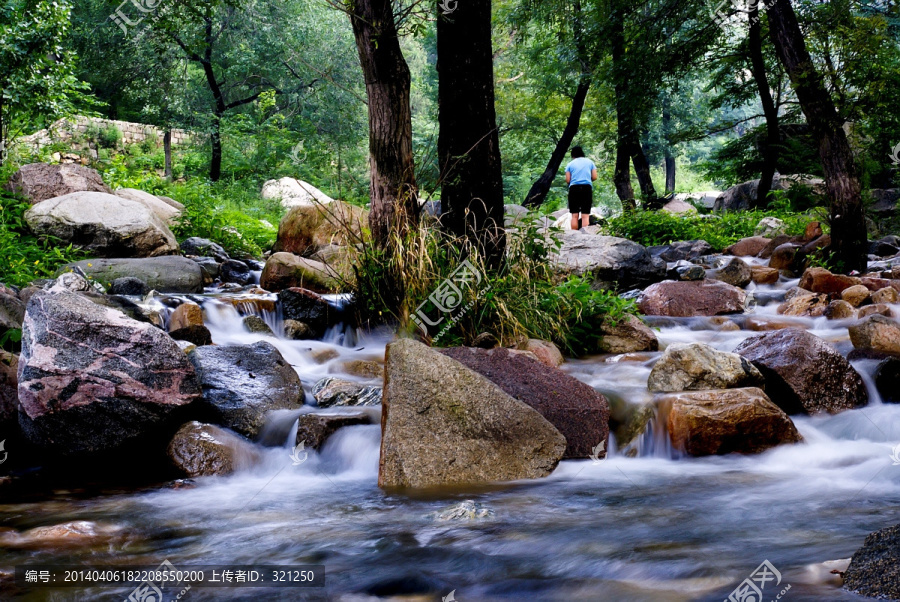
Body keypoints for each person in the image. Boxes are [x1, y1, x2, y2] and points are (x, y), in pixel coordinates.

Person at [564, 146, 598, 230]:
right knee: (585, 215)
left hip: (574, 189)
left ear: (573, 155)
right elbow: (594, 177)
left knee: (574, 215)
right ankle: (585, 235)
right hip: (586, 188)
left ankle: (574, 235)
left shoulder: (570, 164)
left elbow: (568, 180)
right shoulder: (590, 162)